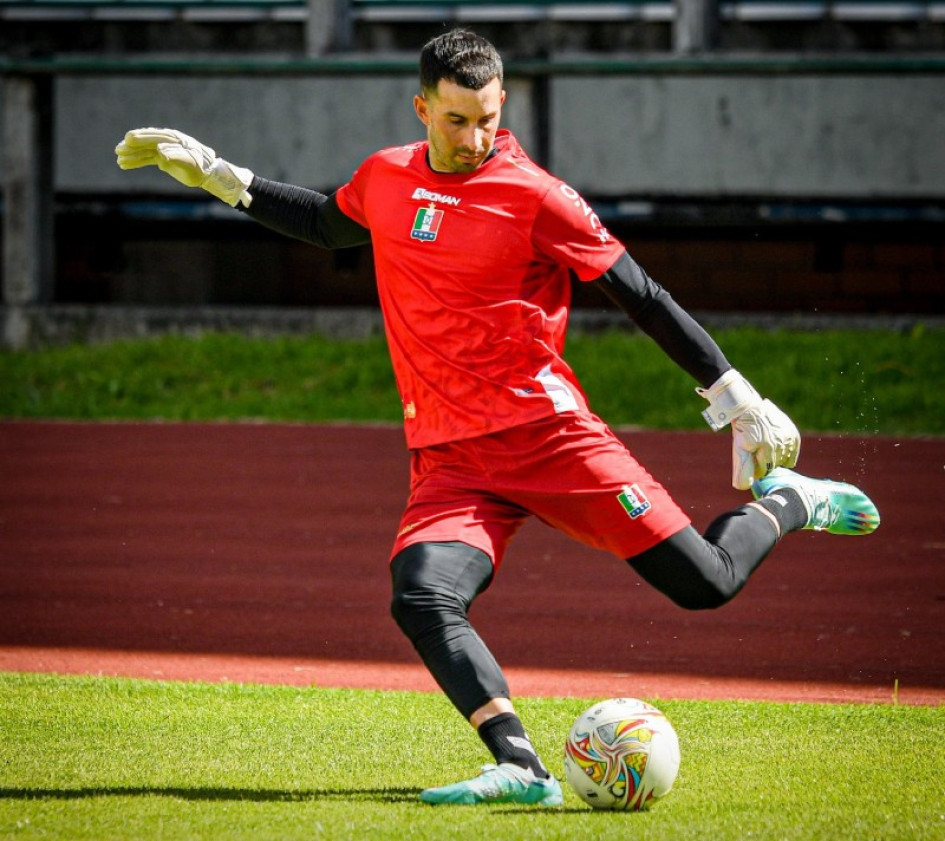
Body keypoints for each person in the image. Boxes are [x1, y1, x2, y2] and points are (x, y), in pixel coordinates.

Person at [115, 28, 879, 807]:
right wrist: (219, 176)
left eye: (486, 117)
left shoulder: (536, 195)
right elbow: (323, 223)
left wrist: (734, 397)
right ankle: (521, 765)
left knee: (704, 584)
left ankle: (793, 500)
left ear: (501, 102)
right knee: (419, 594)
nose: (475, 136)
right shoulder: (385, 177)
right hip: (450, 457)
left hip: (549, 439)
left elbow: (640, 295)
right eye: (455, 120)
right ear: (421, 107)